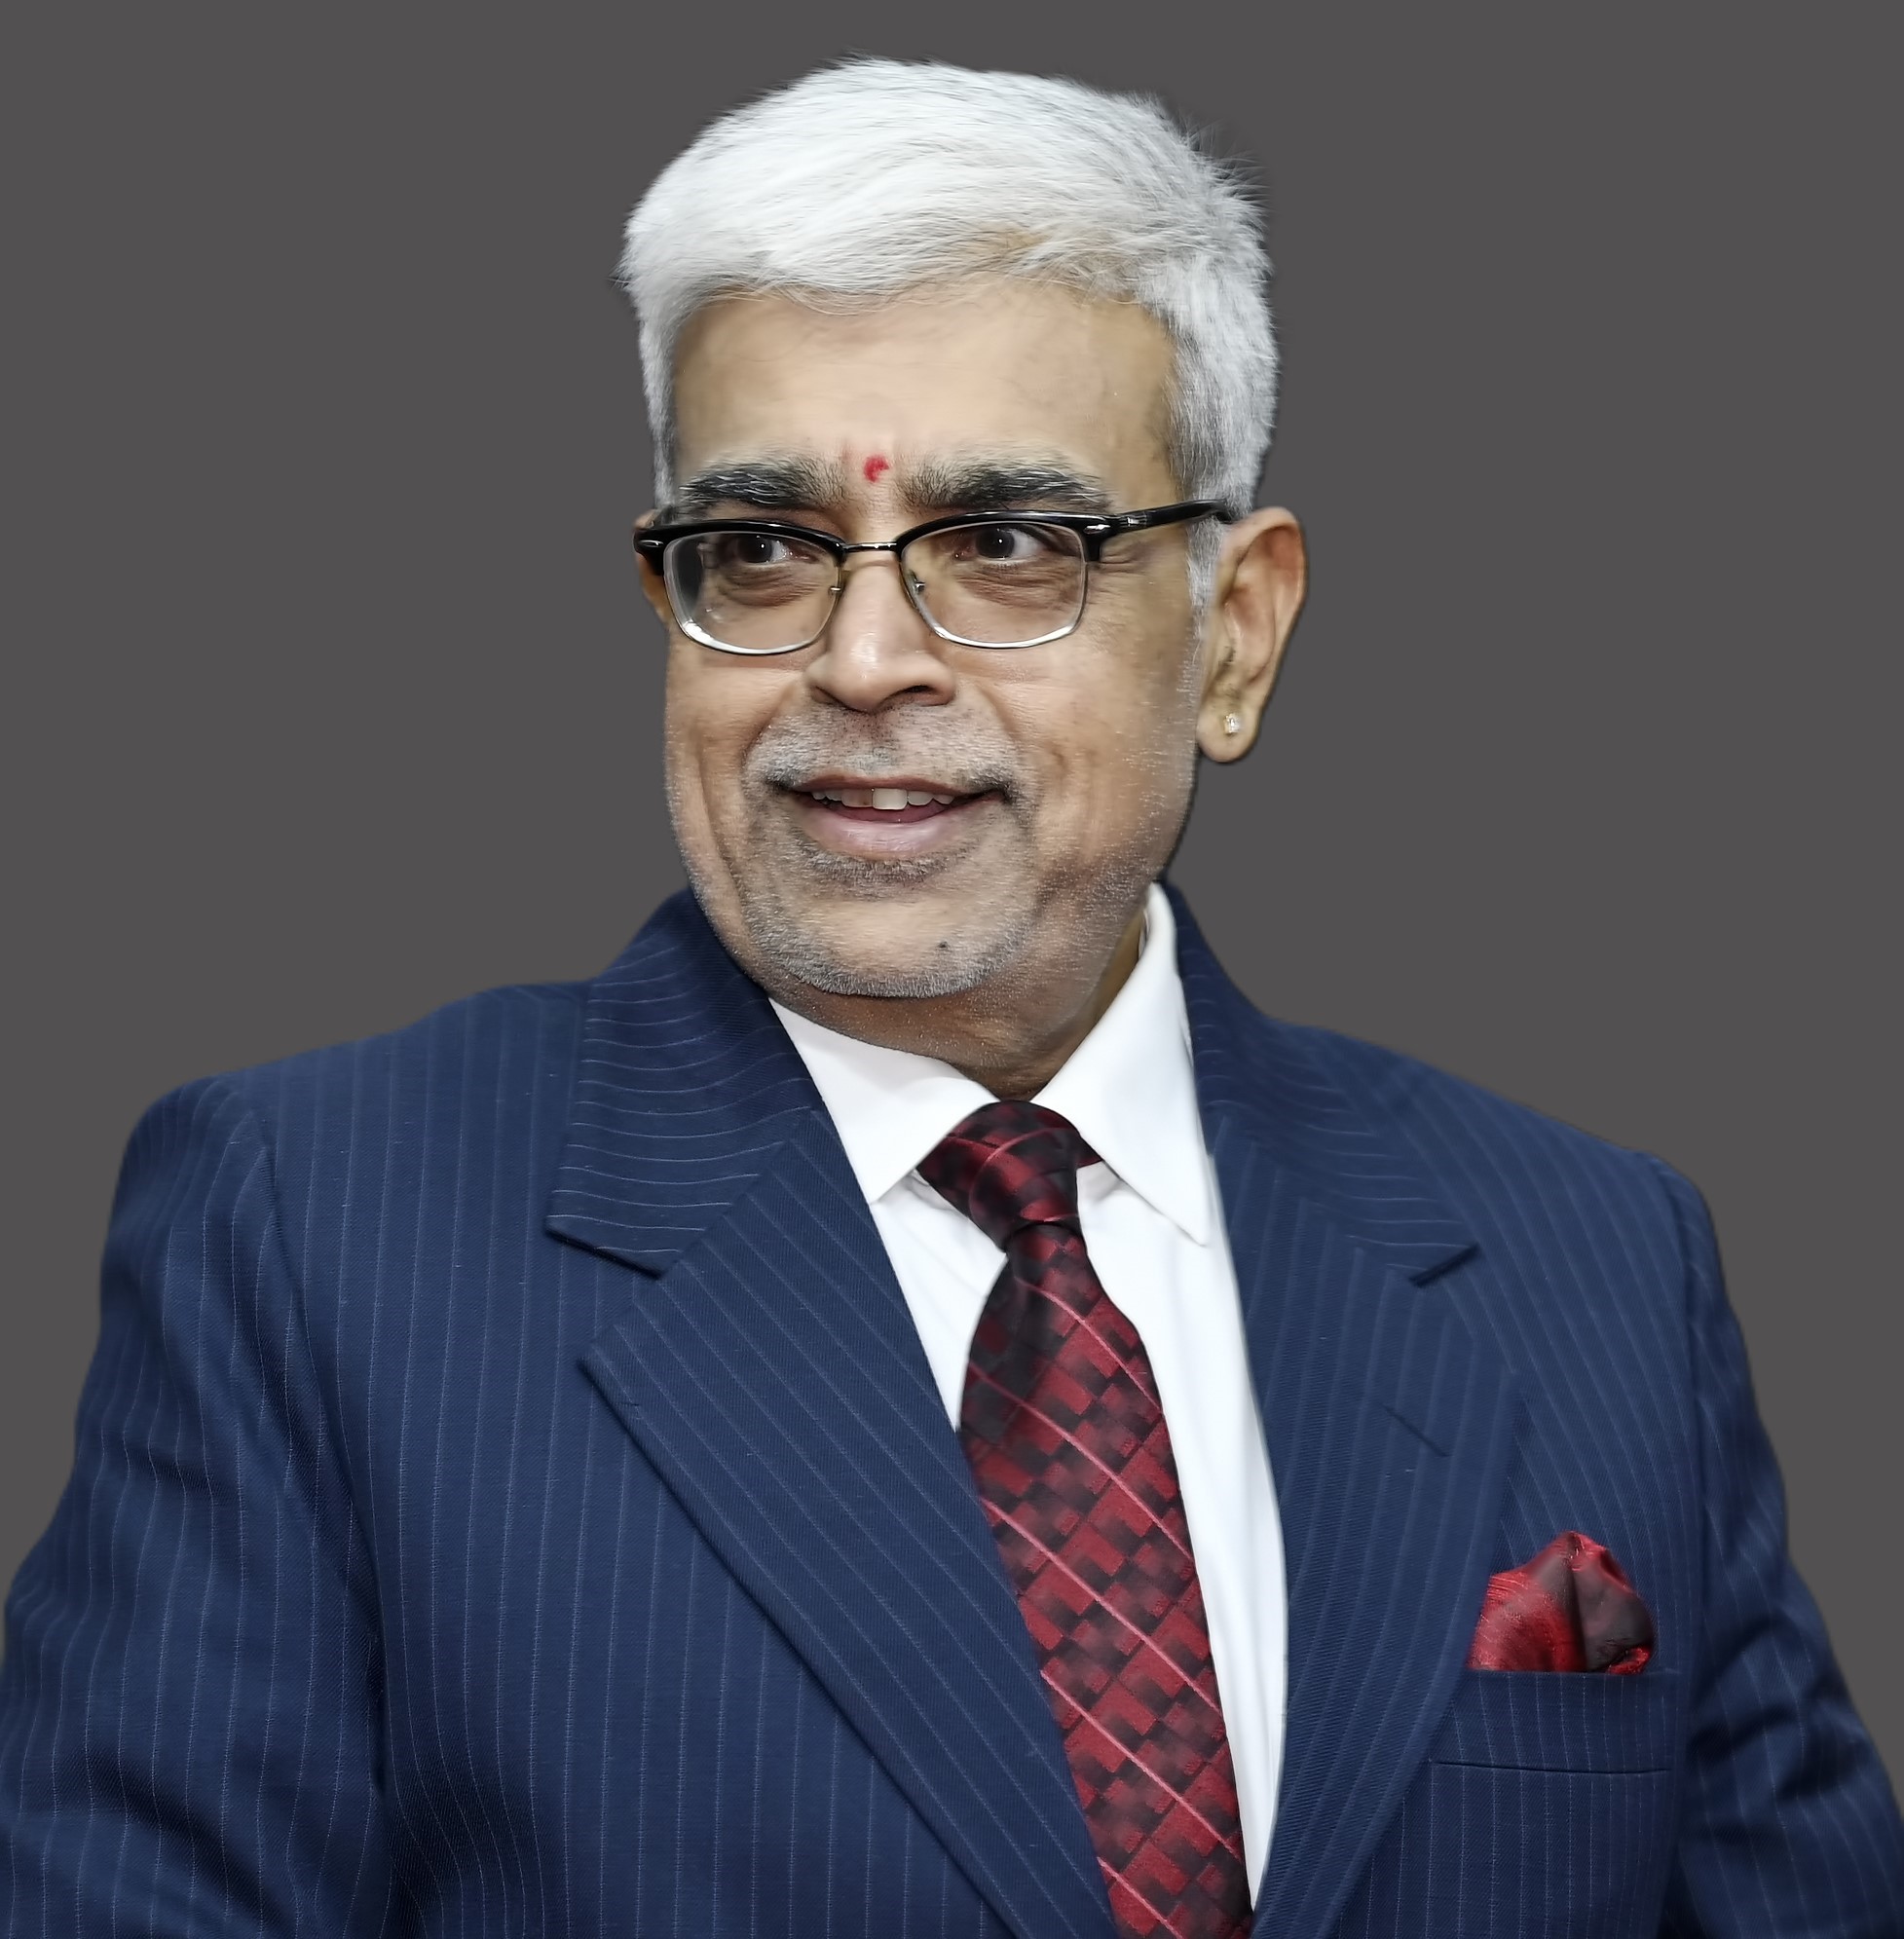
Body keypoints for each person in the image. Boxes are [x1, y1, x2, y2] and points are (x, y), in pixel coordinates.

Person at [2, 56, 1899, 1939]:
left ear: (1235, 638)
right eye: (761, 550)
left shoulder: (1595, 1261)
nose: (862, 660)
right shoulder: (318, 1234)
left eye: (1005, 547)